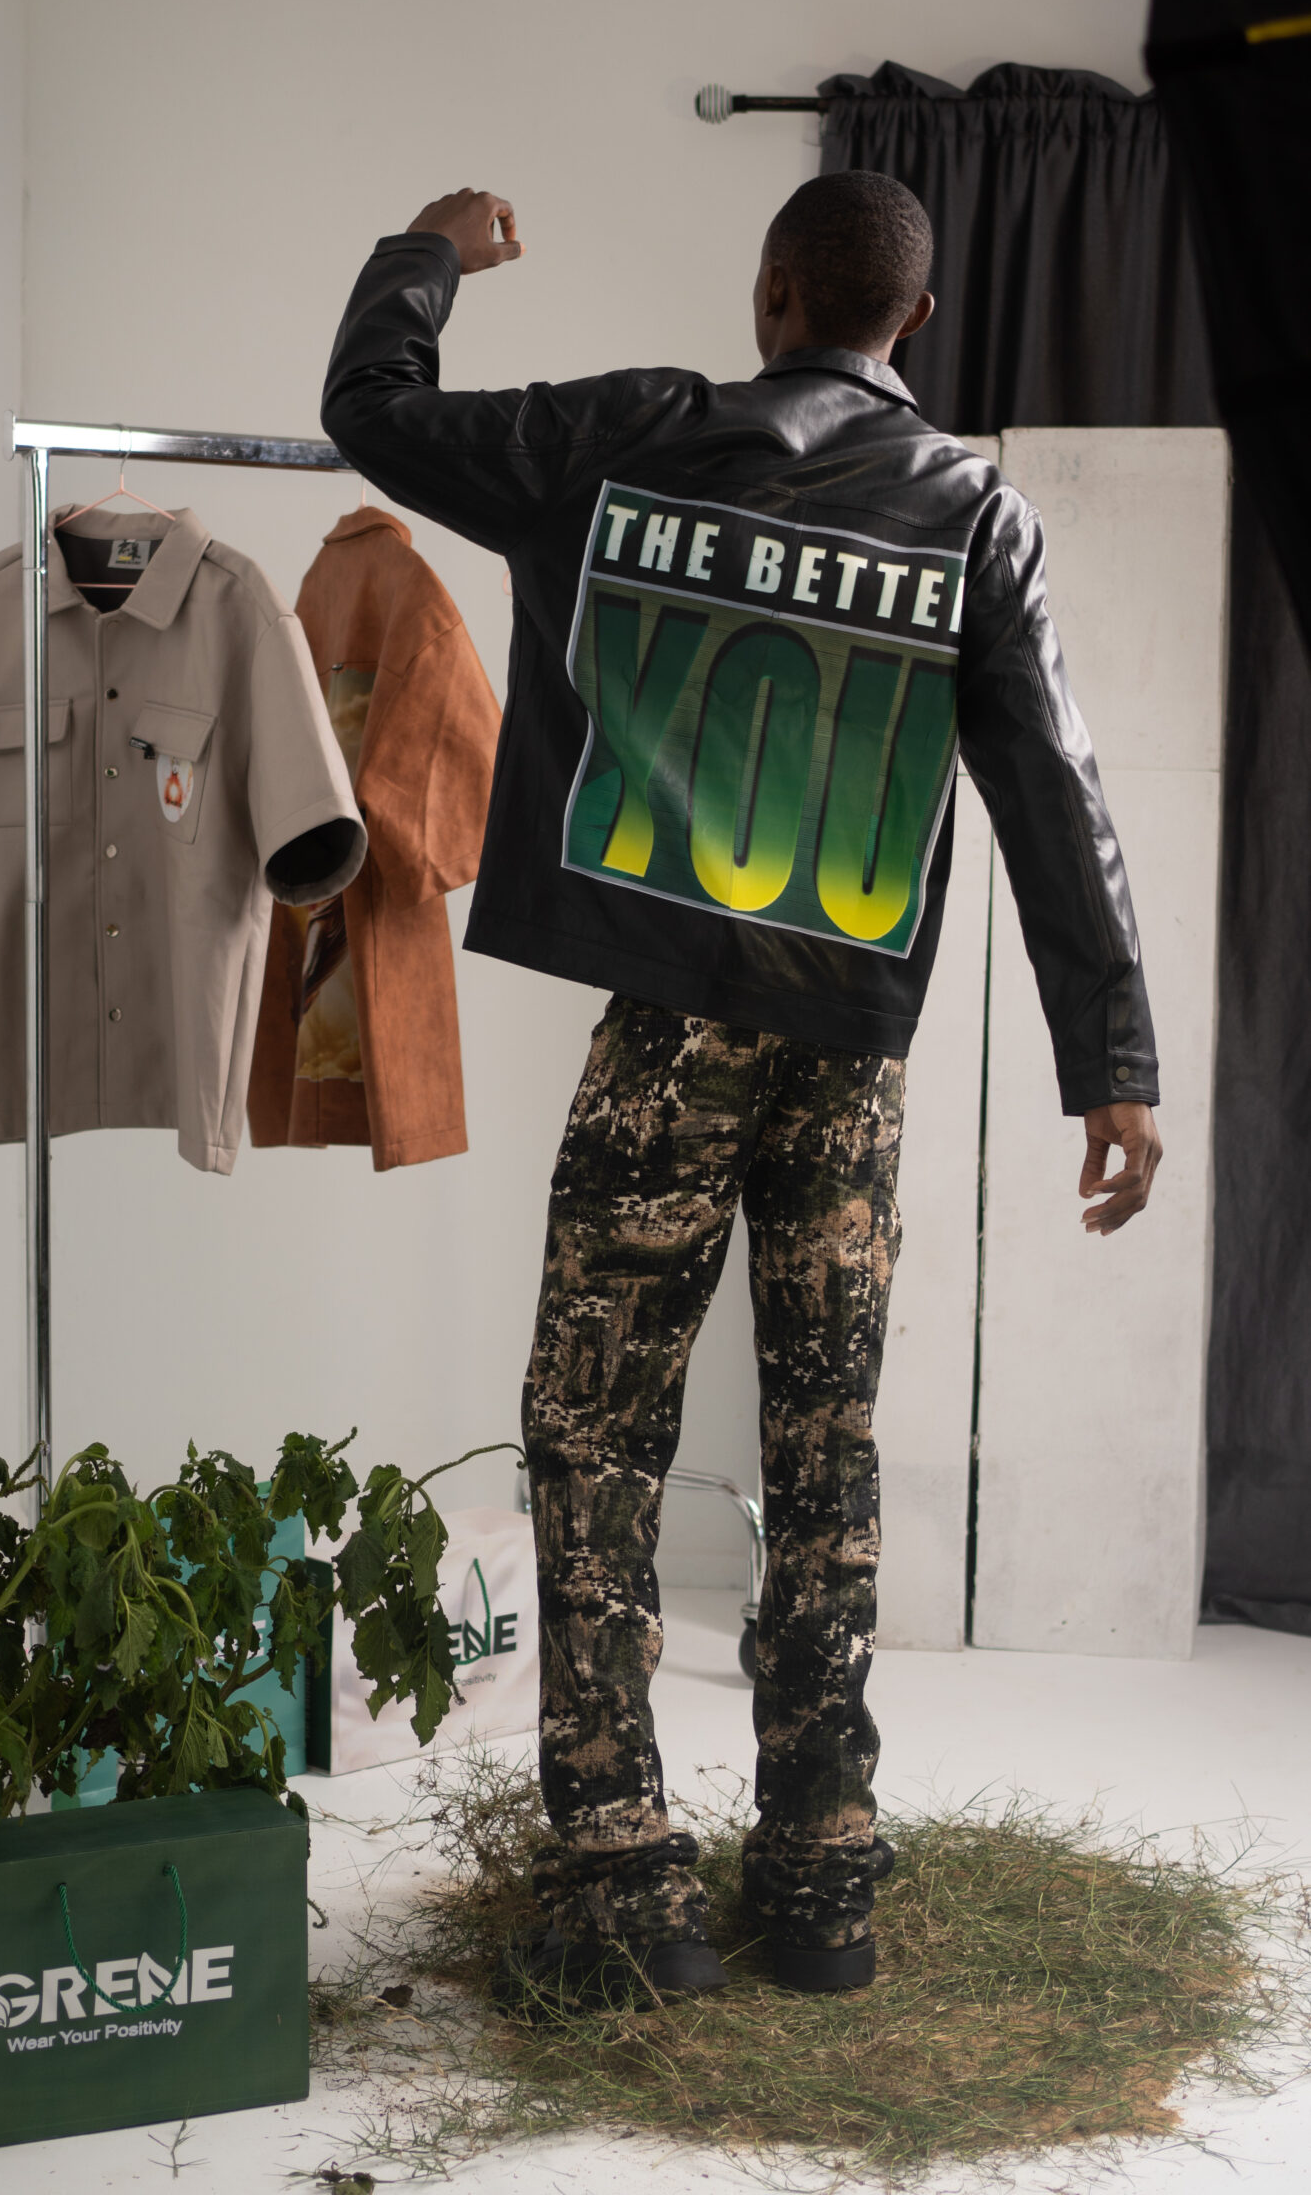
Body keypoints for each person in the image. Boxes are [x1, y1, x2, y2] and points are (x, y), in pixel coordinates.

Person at [321, 173, 1162, 2007]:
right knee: (826, 1450)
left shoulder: (631, 437)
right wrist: (1113, 1064)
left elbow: (373, 415)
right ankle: (822, 1878)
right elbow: (1055, 788)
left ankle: (627, 1890)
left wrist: (431, 257)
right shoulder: (974, 515)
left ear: (769, 289)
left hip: (673, 1033)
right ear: (910, 322)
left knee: (595, 1437)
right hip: (851, 1053)